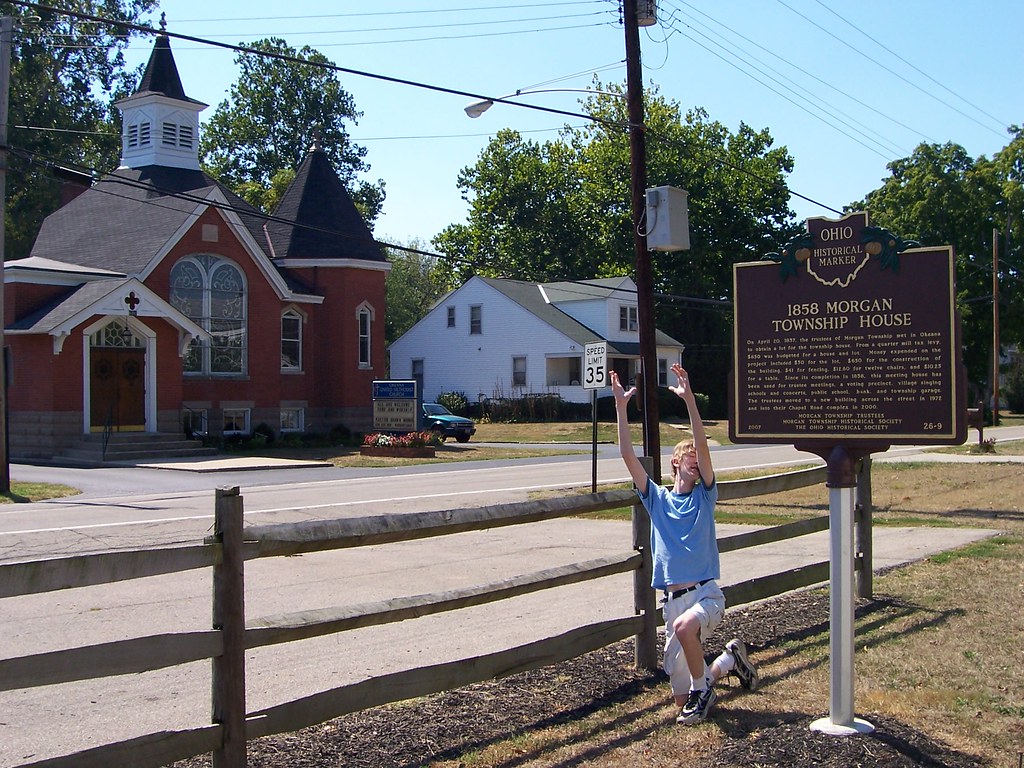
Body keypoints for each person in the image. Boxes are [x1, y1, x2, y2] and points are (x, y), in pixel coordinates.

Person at [611, 363, 758, 724]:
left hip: (705, 596)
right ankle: (728, 661)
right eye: (689, 458)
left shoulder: (705, 497)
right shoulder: (657, 499)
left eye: (699, 459)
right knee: (680, 697)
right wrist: (620, 407)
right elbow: (628, 456)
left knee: (686, 638)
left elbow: (704, 447)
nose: (696, 461)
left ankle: (703, 690)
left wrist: (690, 400)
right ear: (675, 463)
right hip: (673, 603)